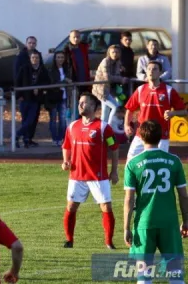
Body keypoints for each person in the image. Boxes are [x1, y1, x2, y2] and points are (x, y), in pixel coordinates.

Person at [124, 120, 188, 284]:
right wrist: (186, 221)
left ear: (141, 136)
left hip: (144, 224)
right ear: (160, 137)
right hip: (169, 223)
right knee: (175, 276)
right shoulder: (174, 161)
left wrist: (126, 227)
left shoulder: (132, 164)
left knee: (144, 276)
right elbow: (183, 195)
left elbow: (129, 199)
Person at [61, 93, 119, 249]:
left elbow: (114, 148)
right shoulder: (72, 126)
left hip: (98, 177)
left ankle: (108, 242)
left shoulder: (103, 127)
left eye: (84, 103)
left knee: (106, 207)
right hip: (76, 176)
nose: (80, 105)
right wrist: (66, 161)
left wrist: (114, 171)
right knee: (71, 207)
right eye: (80, 102)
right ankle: (69, 240)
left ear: (94, 107)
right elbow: (66, 146)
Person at [124, 60, 187, 161]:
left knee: (158, 164)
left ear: (160, 72)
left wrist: (173, 113)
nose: (151, 71)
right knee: (130, 161)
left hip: (161, 136)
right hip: (141, 134)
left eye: (154, 69)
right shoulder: (140, 89)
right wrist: (126, 125)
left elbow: (184, 112)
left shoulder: (169, 90)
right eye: (149, 69)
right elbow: (129, 109)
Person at [15, 50, 50, 148]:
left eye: (37, 58)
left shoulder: (43, 70)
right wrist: (19, 95)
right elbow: (18, 82)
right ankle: (25, 139)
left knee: (31, 120)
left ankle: (17, 135)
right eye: (33, 58)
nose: (35, 59)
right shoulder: (24, 68)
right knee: (25, 120)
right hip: (24, 98)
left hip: (35, 99)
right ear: (30, 59)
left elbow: (47, 82)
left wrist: (38, 88)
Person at [92, 45, 129, 125]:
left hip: (109, 89)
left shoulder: (118, 62)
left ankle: (103, 128)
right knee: (115, 107)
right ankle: (108, 127)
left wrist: (122, 73)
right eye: (113, 52)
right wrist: (121, 79)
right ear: (109, 53)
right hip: (101, 89)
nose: (115, 54)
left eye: (117, 52)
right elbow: (107, 77)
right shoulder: (105, 61)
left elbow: (116, 75)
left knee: (105, 110)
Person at [45, 51, 70, 146]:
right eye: (58, 57)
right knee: (53, 119)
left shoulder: (66, 69)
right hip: (54, 98)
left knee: (63, 119)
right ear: (55, 58)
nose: (60, 59)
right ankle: (54, 138)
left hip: (63, 97)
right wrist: (64, 81)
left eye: (62, 57)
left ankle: (61, 138)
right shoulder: (51, 70)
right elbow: (52, 83)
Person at [119, 31, 135, 96]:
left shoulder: (130, 51)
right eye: (126, 39)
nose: (128, 41)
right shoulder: (118, 50)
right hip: (119, 78)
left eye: (130, 39)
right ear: (121, 40)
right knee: (120, 98)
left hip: (128, 77)